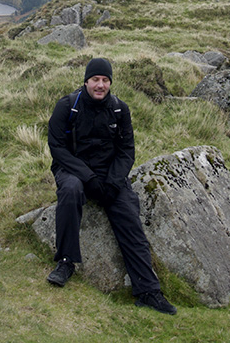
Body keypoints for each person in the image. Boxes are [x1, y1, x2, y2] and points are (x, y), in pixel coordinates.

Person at [46, 57, 177, 315]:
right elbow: (57, 148)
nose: (100, 85)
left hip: (109, 175)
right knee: (71, 191)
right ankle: (65, 262)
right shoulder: (66, 107)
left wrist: (114, 183)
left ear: (110, 83)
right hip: (73, 169)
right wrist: (88, 178)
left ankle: (148, 291)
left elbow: (127, 150)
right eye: (95, 79)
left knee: (128, 212)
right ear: (86, 81)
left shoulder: (119, 109)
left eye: (105, 80)